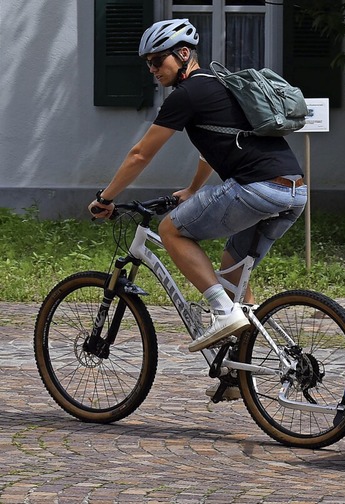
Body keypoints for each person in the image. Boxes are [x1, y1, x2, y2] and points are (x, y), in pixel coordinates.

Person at [88, 19, 307, 399]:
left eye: (158, 61)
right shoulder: (220, 85)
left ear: (183, 54)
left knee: (172, 230)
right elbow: (212, 145)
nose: (153, 70)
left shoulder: (187, 95)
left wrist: (105, 198)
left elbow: (141, 154)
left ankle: (223, 313)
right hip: (293, 191)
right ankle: (242, 369)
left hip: (258, 188)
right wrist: (193, 189)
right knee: (233, 268)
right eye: (148, 64)